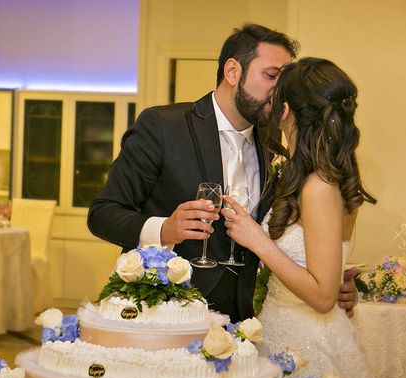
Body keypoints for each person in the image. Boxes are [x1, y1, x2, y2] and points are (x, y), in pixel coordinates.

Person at [87, 24, 358, 323]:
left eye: (284, 80)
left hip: (243, 320)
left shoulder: (276, 144)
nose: (279, 90)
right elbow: (102, 214)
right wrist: (165, 230)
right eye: (270, 76)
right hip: (166, 311)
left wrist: (331, 284)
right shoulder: (163, 126)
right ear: (232, 72)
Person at [222, 57, 396, 378]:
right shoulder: (318, 174)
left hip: (305, 341)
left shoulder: (318, 186)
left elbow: (321, 296)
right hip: (286, 330)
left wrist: (258, 241)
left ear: (285, 110)